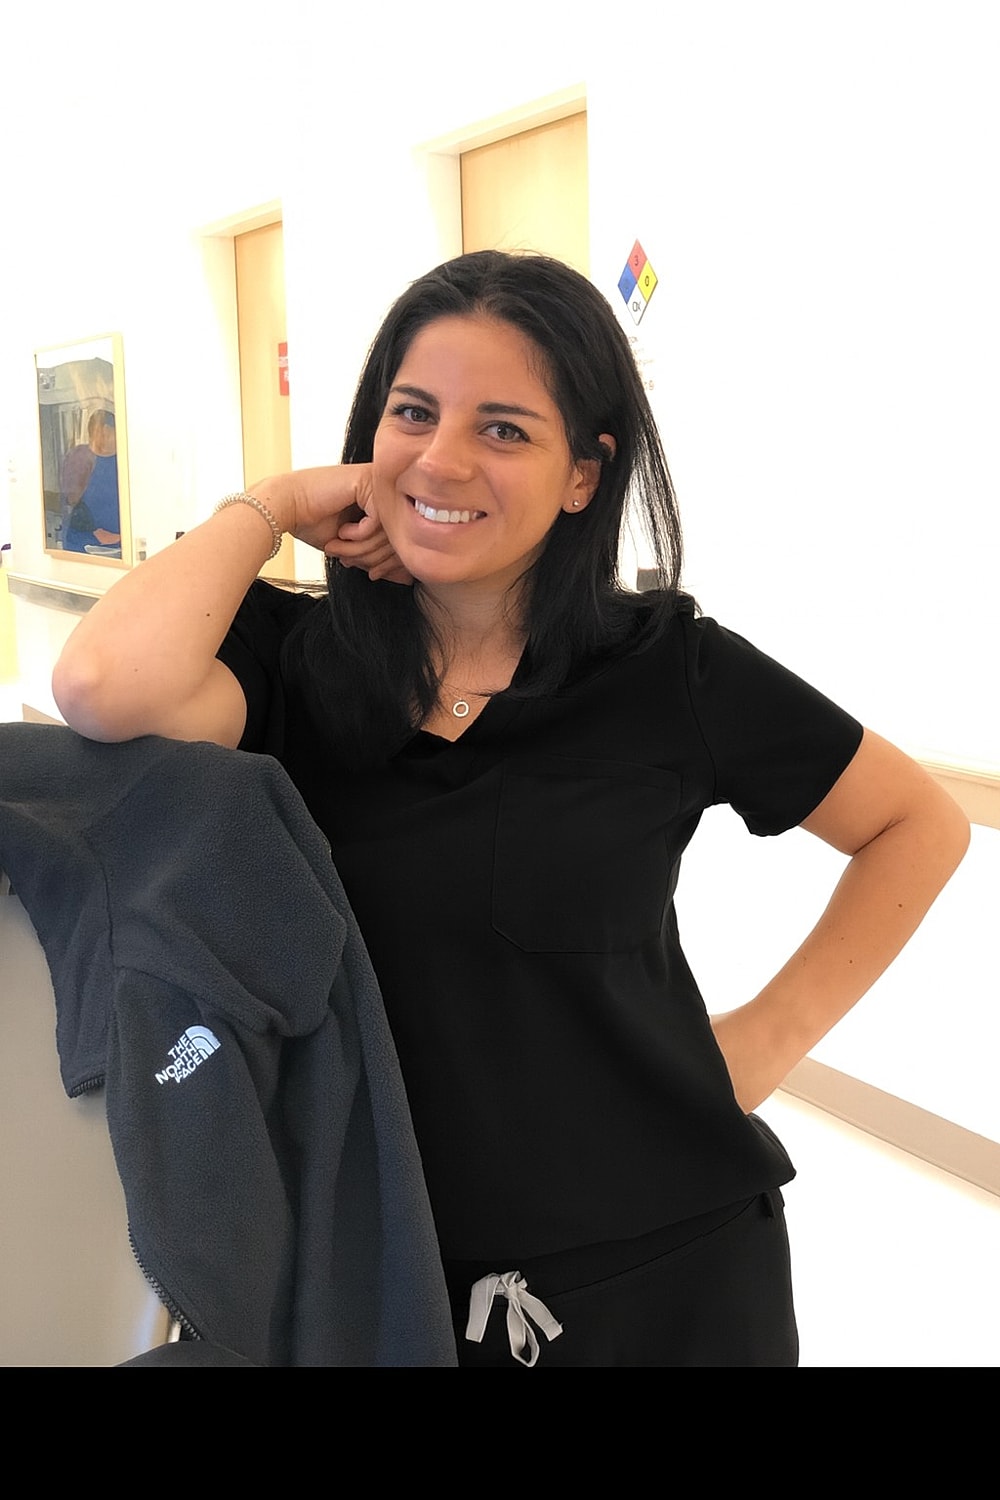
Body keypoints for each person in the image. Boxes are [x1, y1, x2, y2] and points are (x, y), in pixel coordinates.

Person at [52, 250, 969, 1367]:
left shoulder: (665, 669)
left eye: (502, 428)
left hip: (663, 1265)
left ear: (583, 474)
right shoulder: (295, 663)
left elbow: (916, 824)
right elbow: (100, 686)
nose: (439, 459)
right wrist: (278, 504)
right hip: (384, 1268)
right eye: (412, 412)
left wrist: (763, 1043)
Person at [60, 409, 121, 553]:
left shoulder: (124, 460)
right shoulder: (80, 457)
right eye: (98, 433)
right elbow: (70, 500)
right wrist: (93, 530)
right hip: (82, 544)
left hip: (122, 547)